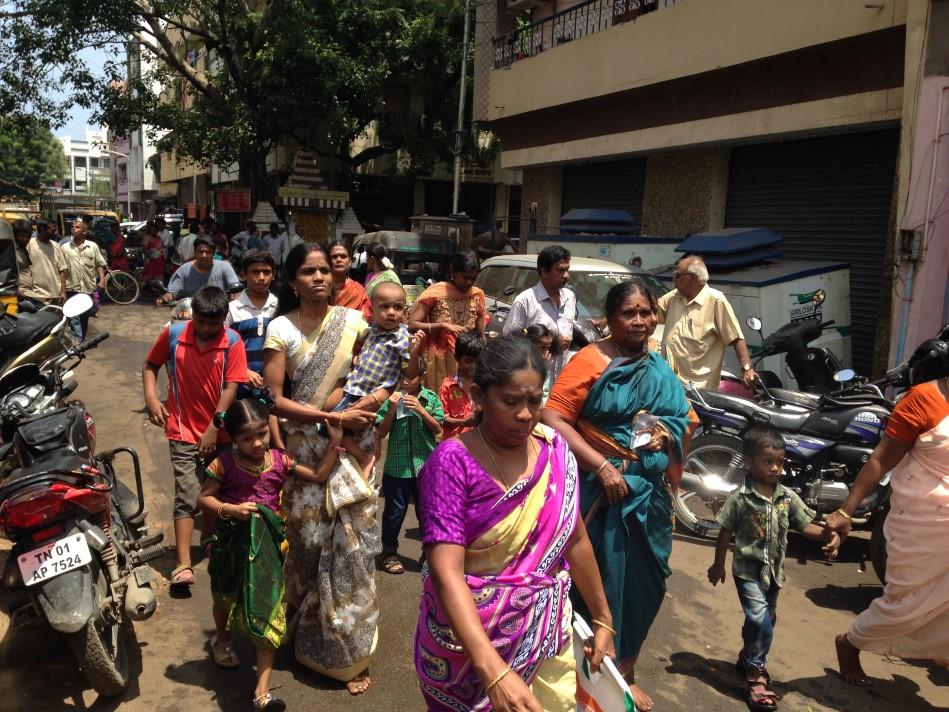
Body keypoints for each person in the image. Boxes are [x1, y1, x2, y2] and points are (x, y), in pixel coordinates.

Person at [415, 335, 616, 711]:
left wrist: (604, 619)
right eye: (510, 402)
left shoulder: (555, 450)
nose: (525, 414)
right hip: (468, 649)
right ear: (478, 396)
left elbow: (573, 539)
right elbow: (446, 572)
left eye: (534, 401)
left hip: (545, 636)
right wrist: (492, 670)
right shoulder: (451, 463)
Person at [541, 279, 691, 712]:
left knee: (645, 587)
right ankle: (585, 679)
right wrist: (601, 465)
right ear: (609, 318)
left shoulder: (660, 367)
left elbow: (682, 418)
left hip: (649, 500)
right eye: (629, 313)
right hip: (599, 495)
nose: (639, 321)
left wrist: (668, 434)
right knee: (596, 585)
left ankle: (623, 673)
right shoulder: (591, 359)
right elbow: (553, 416)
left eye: (646, 312)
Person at [261, 244, 378, 695]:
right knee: (308, 548)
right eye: (308, 272)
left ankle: (350, 653)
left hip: (353, 447)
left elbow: (385, 373)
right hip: (306, 450)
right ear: (291, 281)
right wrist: (330, 418)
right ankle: (306, 637)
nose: (319, 278)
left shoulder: (354, 323)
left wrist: (367, 405)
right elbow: (274, 398)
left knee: (352, 552)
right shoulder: (281, 329)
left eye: (325, 271)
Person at [198, 396, 330, 712]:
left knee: (269, 605)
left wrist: (337, 447)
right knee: (225, 598)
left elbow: (318, 475)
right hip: (231, 546)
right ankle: (223, 640)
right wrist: (228, 508)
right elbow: (204, 499)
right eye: (247, 437)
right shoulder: (224, 464)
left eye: (262, 434)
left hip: (269, 549)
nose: (257, 443)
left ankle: (262, 692)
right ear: (231, 437)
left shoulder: (280, 461)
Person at [826, 376, 949, 686]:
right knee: (904, 604)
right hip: (921, 524)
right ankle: (850, 642)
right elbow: (881, 458)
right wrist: (845, 511)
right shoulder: (923, 399)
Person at [708, 425, 838, 711]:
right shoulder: (740, 498)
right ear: (749, 462)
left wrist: (829, 535)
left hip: (774, 576)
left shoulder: (787, 497)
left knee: (766, 620)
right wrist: (718, 565)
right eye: (768, 462)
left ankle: (746, 657)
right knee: (759, 620)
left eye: (780, 462)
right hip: (747, 571)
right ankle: (755, 674)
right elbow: (725, 532)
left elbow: (806, 526)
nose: (776, 468)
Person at [142, 286, 248, 587]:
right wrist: (152, 399)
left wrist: (214, 427)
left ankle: (211, 538)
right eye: (200, 321)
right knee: (188, 495)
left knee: (214, 490)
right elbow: (151, 365)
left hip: (222, 432)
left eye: (212, 324)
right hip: (182, 429)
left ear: (223, 320)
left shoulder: (232, 342)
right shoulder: (175, 334)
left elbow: (231, 387)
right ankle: (183, 563)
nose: (204, 329)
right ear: (193, 316)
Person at [374, 359, 443, 575]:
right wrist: (392, 409)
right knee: (394, 512)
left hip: (425, 467)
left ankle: (427, 553)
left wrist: (421, 410)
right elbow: (381, 431)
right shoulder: (391, 399)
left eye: (410, 376)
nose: (405, 380)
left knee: (427, 512)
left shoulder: (430, 398)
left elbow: (438, 428)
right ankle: (388, 551)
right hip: (397, 467)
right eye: (401, 375)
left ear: (421, 377)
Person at [658, 254, 757, 390]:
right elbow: (651, 315)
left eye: (677, 275)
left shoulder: (716, 301)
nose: (673, 279)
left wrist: (747, 369)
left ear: (691, 278)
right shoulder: (674, 297)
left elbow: (736, 337)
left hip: (698, 392)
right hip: (668, 385)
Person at [408, 250, 485, 391]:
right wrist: (442, 325)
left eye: (473, 279)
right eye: (465, 277)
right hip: (438, 362)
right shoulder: (435, 293)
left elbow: (480, 334)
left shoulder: (477, 295)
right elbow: (412, 325)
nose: (469, 282)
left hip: (466, 362)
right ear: (453, 272)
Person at [502, 245, 577, 383]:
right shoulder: (525, 301)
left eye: (567, 269)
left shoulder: (570, 297)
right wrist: (553, 345)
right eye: (560, 270)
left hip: (561, 382)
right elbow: (510, 342)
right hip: (533, 383)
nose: (567, 275)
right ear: (544, 271)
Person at [225, 250, 279, 392]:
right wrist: (243, 371)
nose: (261, 277)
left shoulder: (280, 308)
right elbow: (222, 346)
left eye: (266, 272)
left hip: (274, 387)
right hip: (238, 386)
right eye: (255, 272)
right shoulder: (231, 309)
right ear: (243, 274)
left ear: (273, 275)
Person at [156, 237, 242, 305]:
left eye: (207, 252)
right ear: (195, 252)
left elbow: (235, 287)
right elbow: (172, 292)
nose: (204, 255)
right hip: (192, 313)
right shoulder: (183, 271)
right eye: (200, 251)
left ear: (214, 253)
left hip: (220, 313)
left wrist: (236, 295)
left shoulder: (225, 267)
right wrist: (165, 297)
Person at [61, 219, 106, 340]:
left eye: (77, 227)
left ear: (84, 231)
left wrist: (102, 280)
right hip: (72, 288)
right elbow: (62, 271)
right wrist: (63, 291)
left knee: (84, 317)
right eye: (72, 227)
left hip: (88, 289)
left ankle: (80, 339)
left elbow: (99, 264)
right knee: (74, 317)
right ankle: (77, 341)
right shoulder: (65, 248)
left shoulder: (92, 247)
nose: (74, 229)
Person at [438, 332, 483, 440]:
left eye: (477, 361)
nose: (473, 366)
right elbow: (442, 418)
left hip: (480, 444)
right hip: (456, 444)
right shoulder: (448, 386)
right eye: (468, 361)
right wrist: (463, 422)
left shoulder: (485, 383)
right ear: (457, 358)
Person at [18, 218, 66, 307]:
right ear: (42, 229)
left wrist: (63, 292)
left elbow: (61, 271)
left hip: (56, 296)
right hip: (37, 297)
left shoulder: (56, 246)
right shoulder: (29, 245)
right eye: (53, 230)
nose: (55, 233)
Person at [327, 240, 370, 315]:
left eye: (343, 256)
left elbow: (366, 319)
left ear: (350, 262)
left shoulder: (359, 292)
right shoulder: (320, 289)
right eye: (334, 257)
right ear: (327, 261)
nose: (339, 260)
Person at [522, 323, 556, 403]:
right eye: (542, 348)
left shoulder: (546, 364)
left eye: (549, 348)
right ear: (530, 345)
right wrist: (543, 369)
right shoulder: (523, 365)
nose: (547, 352)